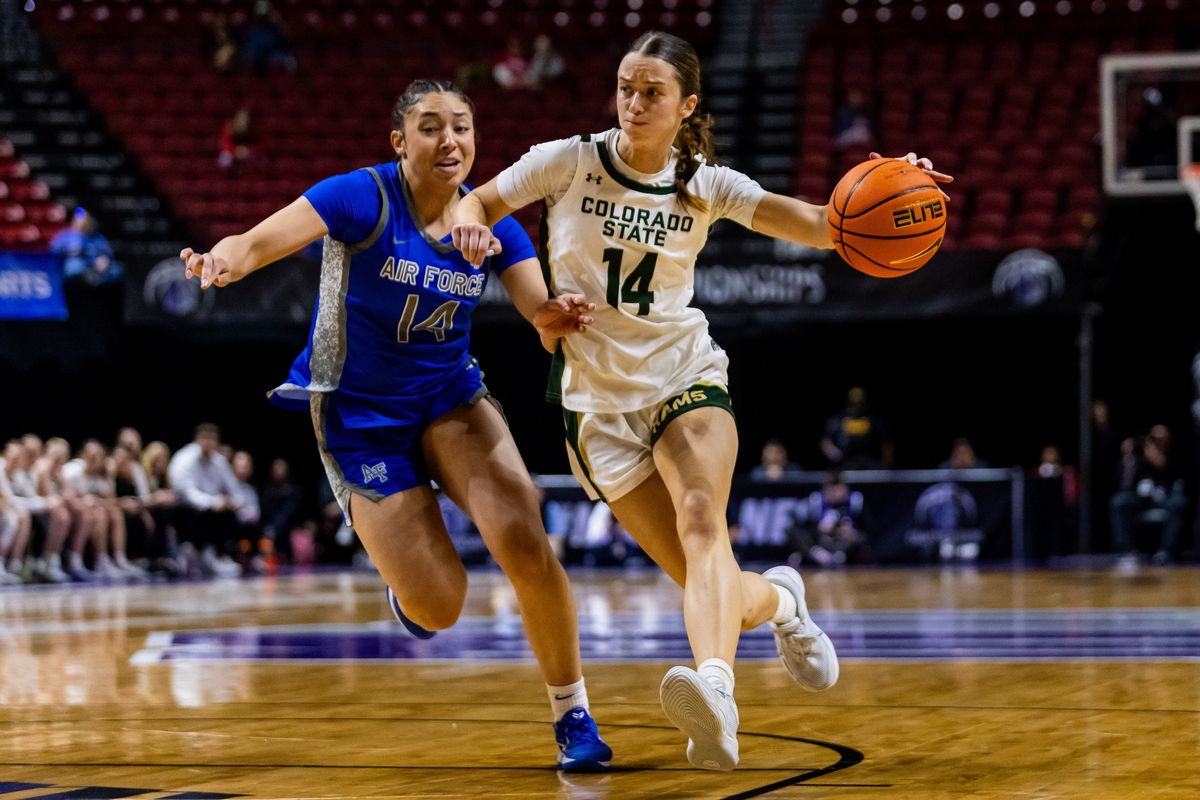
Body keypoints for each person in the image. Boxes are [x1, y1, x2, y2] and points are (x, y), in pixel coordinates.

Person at [452, 30, 952, 770]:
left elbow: (823, 224)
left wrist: (889, 181)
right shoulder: (568, 159)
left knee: (699, 518)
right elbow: (479, 203)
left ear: (687, 105)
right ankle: (782, 601)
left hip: (686, 376)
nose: (633, 102)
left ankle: (715, 693)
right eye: (625, 86)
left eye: (652, 91)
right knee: (708, 585)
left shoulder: (707, 182)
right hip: (597, 408)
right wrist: (505, 270)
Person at [178, 79, 611, 771]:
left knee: (524, 534)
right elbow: (260, 241)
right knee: (441, 607)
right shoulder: (363, 195)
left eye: (462, 127)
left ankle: (573, 713)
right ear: (399, 141)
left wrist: (554, 316)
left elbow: (537, 309)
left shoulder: (493, 220)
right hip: (358, 414)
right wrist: (223, 258)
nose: (450, 141)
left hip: (449, 399)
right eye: (431, 127)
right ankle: (405, 583)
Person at [1110, 424, 1188, 565]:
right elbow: (1125, 483)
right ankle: (1126, 550)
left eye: (1161, 438)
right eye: (1154, 438)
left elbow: (1164, 465)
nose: (1157, 441)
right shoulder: (1139, 457)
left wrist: (1150, 450)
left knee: (1179, 503)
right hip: (1142, 498)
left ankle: (1166, 550)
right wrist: (1128, 458)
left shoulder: (1174, 455)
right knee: (1119, 501)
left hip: (1165, 497)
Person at [820, 387, 892, 469]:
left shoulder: (873, 420)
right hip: (845, 464)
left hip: (869, 464)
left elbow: (886, 442)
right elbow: (826, 440)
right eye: (853, 403)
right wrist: (835, 455)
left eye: (860, 403)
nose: (857, 406)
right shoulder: (838, 420)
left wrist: (886, 463)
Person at [50, 207, 123, 286]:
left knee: (117, 269)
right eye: (78, 220)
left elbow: (106, 251)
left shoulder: (97, 236)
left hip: (95, 265)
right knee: (74, 266)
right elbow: (53, 250)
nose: (81, 223)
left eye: (85, 220)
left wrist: (105, 260)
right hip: (77, 265)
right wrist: (71, 252)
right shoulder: (65, 235)